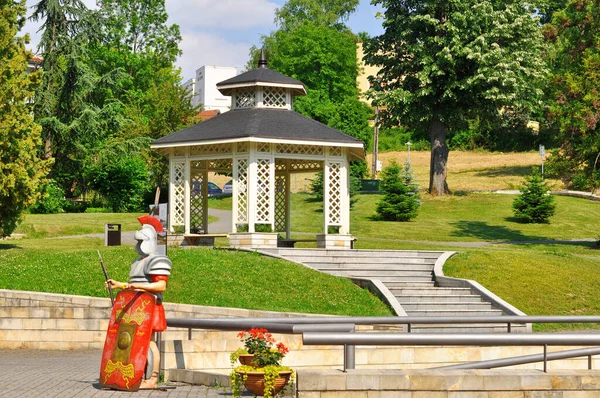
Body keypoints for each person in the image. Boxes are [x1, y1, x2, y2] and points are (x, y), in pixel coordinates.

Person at [105, 215, 171, 389]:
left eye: (142, 240)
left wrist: (133, 285)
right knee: (136, 344)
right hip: (136, 308)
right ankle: (138, 376)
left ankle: (152, 379)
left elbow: (161, 285)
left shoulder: (157, 260)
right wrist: (119, 285)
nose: (139, 244)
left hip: (151, 308)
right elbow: (133, 286)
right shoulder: (137, 262)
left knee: (149, 343)